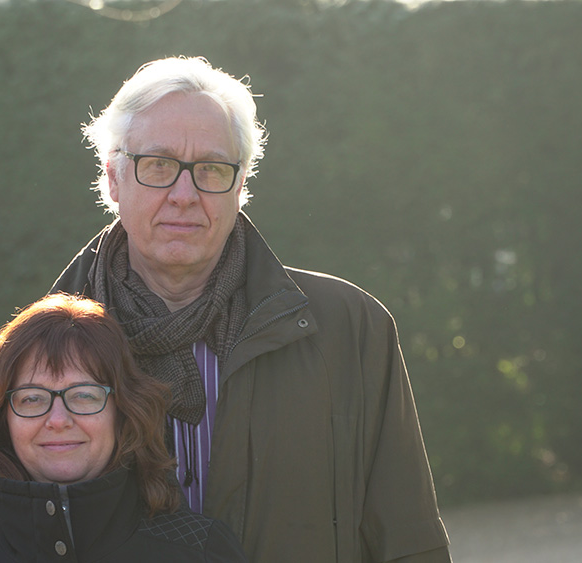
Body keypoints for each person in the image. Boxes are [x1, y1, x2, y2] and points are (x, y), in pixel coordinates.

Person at [51, 56, 452, 562]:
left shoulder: (351, 328)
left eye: (212, 170)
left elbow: (407, 537)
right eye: (158, 166)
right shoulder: (42, 345)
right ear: (113, 179)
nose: (184, 195)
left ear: (241, 186)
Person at [0, 293, 247, 562]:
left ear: (123, 411)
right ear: (2, 419)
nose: (59, 420)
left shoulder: (200, 552)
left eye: (83, 396)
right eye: (32, 398)